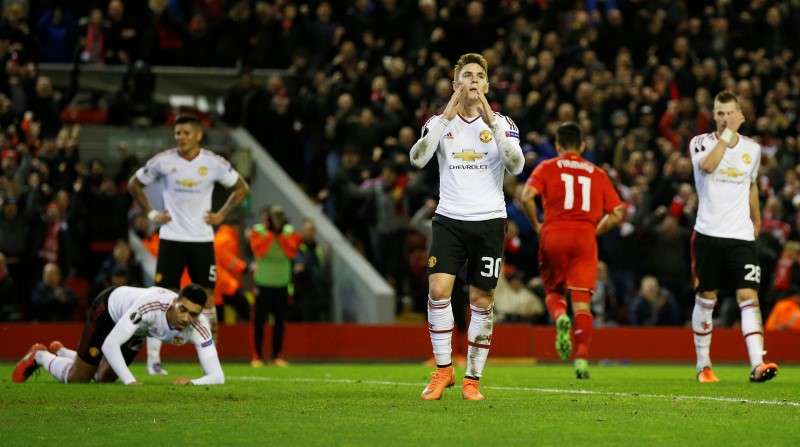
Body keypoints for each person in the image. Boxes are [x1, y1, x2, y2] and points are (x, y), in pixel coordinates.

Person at [409, 52, 524, 401]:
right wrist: (446, 115)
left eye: (478, 76)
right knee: (439, 291)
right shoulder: (439, 123)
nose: (472, 81)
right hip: (450, 219)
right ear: (455, 83)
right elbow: (418, 158)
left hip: (489, 221)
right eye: (466, 76)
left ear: (487, 85)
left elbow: (516, 166)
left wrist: (490, 120)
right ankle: (443, 370)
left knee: (481, 298)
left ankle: (472, 379)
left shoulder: (503, 124)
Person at [128, 114, 249, 375]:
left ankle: (210, 360)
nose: (180, 137)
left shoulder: (213, 163)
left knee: (206, 300)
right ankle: (153, 363)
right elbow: (134, 184)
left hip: (202, 240)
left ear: (198, 135)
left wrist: (221, 215)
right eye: (177, 133)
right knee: (161, 298)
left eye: (185, 133)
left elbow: (241, 188)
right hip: (171, 238)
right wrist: (151, 214)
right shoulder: (164, 161)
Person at [520, 122, 624, 379]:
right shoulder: (597, 173)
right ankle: (582, 359)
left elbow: (526, 196)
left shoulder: (547, 167)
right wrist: (595, 230)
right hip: (585, 238)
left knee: (554, 290)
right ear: (583, 146)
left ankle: (558, 317)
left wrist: (536, 225)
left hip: (554, 233)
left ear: (557, 145)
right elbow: (618, 213)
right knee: (582, 304)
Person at [688, 91, 778, 383]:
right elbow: (709, 166)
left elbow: (750, 184)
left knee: (748, 296)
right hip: (708, 234)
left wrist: (756, 219)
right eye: (719, 113)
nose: (724, 118)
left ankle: (757, 364)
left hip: (740, 236)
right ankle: (704, 366)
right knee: (707, 298)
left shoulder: (752, 149)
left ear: (739, 113)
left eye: (729, 113)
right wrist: (729, 134)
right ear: (713, 116)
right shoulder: (700, 143)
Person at [12, 284, 224, 385]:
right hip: (109, 310)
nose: (186, 318)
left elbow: (217, 376)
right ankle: (40, 356)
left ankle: (68, 354)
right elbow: (110, 345)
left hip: (136, 330)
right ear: (175, 302)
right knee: (79, 379)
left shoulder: (199, 326)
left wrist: (193, 383)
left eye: (193, 314)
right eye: (183, 310)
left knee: (103, 379)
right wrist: (131, 382)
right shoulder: (151, 306)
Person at [248, 205, 300, 367]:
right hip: (263, 283)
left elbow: (291, 252)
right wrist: (271, 233)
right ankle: (257, 356)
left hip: (282, 283)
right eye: (270, 218)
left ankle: (278, 355)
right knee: (259, 322)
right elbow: (259, 251)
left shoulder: (290, 232)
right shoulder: (258, 231)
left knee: (279, 322)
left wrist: (280, 234)